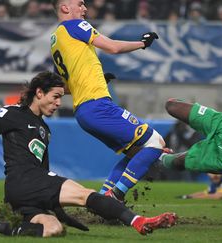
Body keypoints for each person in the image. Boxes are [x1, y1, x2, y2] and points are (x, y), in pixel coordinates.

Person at [0, 71, 177, 237]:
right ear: (39, 93)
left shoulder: (44, 129)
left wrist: (59, 212)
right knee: (86, 195)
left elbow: (44, 172)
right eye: (55, 96)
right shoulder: (12, 113)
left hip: (23, 191)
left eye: (61, 97)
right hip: (22, 179)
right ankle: (139, 222)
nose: (59, 103)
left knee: (53, 229)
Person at [50, 0, 163, 202]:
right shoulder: (75, 25)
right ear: (65, 7)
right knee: (155, 142)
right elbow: (112, 47)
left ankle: (104, 201)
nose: (85, 9)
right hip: (97, 106)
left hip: (84, 112)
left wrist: (99, 79)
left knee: (135, 153)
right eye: (81, 3)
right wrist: (142, 44)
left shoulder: (56, 39)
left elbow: (64, 87)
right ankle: (116, 194)